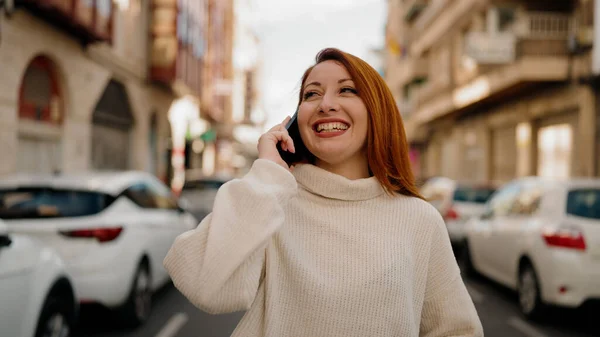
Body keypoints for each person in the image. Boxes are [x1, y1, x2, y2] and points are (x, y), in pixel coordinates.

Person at [164, 48, 484, 337]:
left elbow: (457, 330)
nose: (326, 104)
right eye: (311, 94)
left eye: (346, 90)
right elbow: (203, 284)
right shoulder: (270, 202)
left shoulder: (419, 219)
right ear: (295, 124)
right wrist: (268, 175)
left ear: (377, 113)